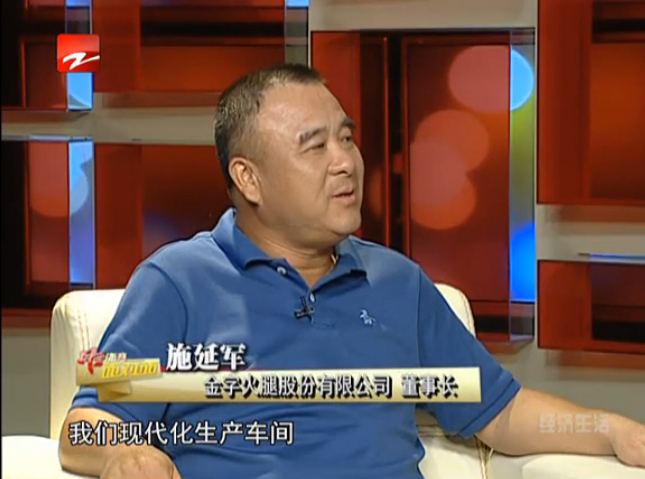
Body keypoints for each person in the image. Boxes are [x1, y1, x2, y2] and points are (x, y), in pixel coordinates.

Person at [59, 63, 645, 479]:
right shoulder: (178, 281)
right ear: (248, 178)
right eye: (315, 147)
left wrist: (611, 429)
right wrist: (123, 454)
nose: (346, 162)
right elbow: (85, 427)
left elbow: (500, 412)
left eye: (347, 139)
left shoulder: (397, 281)